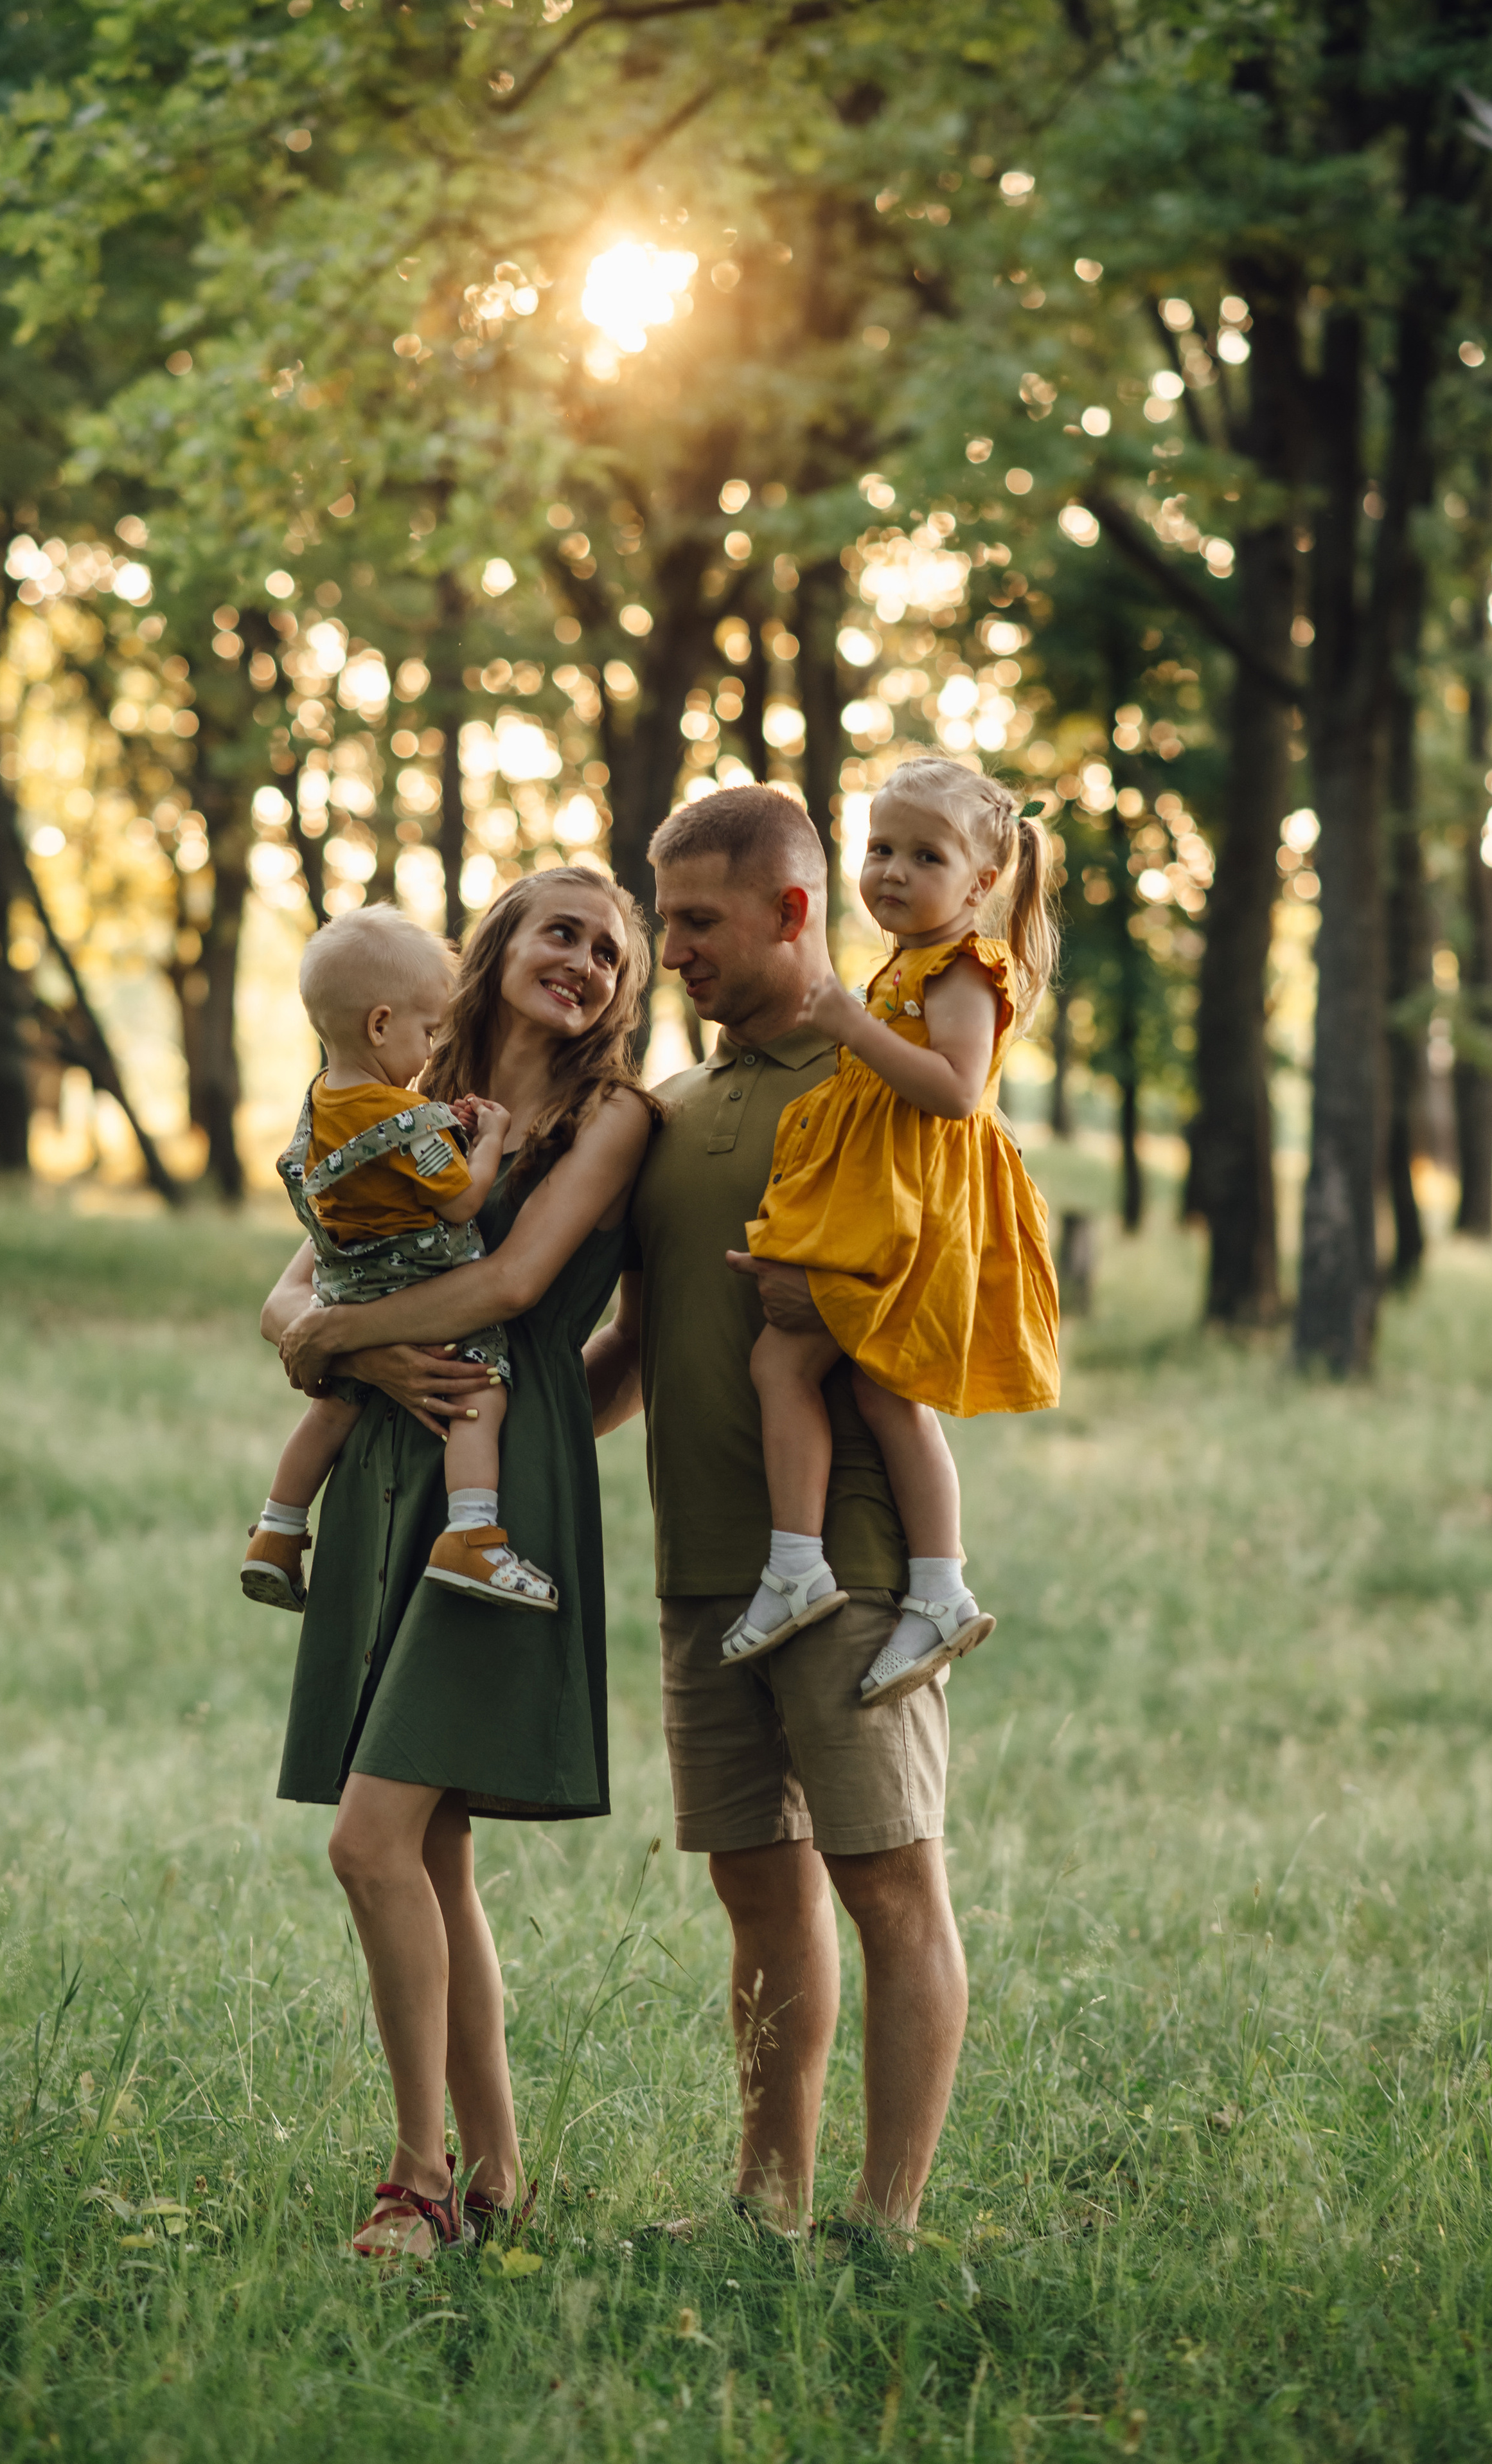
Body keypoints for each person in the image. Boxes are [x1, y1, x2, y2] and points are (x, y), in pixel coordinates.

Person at [582, 783, 977, 2235]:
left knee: (887, 1883)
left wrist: (851, 1309)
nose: (666, 947)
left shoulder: (886, 1075)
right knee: (757, 1887)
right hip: (708, 1571)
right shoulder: (667, 1115)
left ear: (789, 912)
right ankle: (767, 2202)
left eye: (693, 920)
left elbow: (959, 1295)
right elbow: (632, 1348)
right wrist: (484, 1427)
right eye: (662, 918)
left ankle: (883, 2223)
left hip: (857, 1566)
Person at [259, 870, 657, 2258]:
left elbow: (508, 1288)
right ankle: (491, 2177)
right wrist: (311, 1333)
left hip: (502, 1476)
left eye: (614, 953)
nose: (588, 963)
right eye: (564, 931)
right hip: (388, 1461)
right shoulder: (392, 1091)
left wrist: (338, 1342)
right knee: (429, 1847)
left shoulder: (613, 1118)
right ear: (495, 947)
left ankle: (414, 2178)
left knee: (368, 1843)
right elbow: (298, 1271)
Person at [725, 756, 1060, 1706]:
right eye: (879, 850)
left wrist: (846, 1021)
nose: (892, 872)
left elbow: (955, 1092)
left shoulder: (964, 967)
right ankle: (924, 1585)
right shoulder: (907, 964)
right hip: (884, 1203)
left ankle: (817, 1570)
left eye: (925, 855)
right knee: (866, 1391)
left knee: (806, 1371)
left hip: (922, 1212)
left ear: (982, 884)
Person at [242, 904, 555, 1620]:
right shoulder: (410, 1121)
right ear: (381, 1025)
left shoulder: (319, 1104)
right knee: (480, 1388)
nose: (431, 1046)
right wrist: (487, 1137)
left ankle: (278, 1532)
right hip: (425, 1283)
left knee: (329, 1410)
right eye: (427, 1031)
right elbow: (462, 1205)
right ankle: (473, 1533)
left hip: (347, 1288)